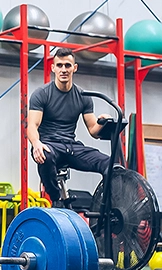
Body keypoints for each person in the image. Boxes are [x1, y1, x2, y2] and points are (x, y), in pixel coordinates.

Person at [28, 48, 110, 207]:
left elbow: (93, 130)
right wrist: (36, 144)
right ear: (53, 68)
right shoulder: (42, 94)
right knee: (46, 155)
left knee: (109, 163)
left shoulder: (83, 96)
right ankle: (55, 197)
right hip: (49, 145)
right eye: (59, 65)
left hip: (72, 147)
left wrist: (103, 122)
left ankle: (105, 205)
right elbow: (32, 125)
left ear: (75, 68)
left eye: (67, 65)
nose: (63, 70)